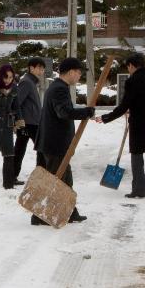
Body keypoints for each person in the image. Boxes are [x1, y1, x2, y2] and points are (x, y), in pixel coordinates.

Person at [33, 57, 95, 225]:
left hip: (52, 142)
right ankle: (39, 216)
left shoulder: (58, 87)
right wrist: (86, 112)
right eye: (79, 72)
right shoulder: (59, 89)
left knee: (62, 178)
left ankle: (71, 212)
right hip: (55, 143)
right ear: (71, 72)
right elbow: (64, 112)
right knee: (56, 179)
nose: (79, 76)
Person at [95, 53, 145, 198]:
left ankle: (139, 189)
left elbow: (124, 105)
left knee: (137, 155)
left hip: (139, 123)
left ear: (132, 66)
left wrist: (106, 117)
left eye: (128, 67)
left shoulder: (132, 81)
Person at [11, 57, 45, 185]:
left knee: (20, 149)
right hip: (28, 123)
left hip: (31, 122)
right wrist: (19, 121)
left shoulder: (31, 82)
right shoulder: (27, 82)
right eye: (39, 68)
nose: (41, 71)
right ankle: (41, 176)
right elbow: (17, 102)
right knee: (42, 147)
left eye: (42, 69)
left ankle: (11, 176)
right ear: (31, 68)